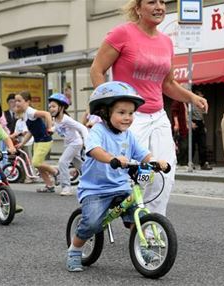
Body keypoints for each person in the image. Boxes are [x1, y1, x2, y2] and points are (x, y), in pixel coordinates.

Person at [90, 0, 208, 216]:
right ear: (138, 8)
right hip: (131, 117)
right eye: (152, 2)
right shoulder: (122, 34)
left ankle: (153, 221)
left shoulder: (166, 42)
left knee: (163, 171)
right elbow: (97, 69)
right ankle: (122, 208)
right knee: (132, 172)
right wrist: (108, 107)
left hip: (158, 115)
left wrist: (191, 97)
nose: (159, 6)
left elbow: (168, 84)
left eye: (162, 2)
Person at [66, 81, 169, 272]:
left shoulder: (128, 136)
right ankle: (74, 250)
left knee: (136, 214)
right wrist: (112, 158)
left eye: (130, 113)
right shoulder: (98, 130)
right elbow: (94, 150)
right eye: (121, 112)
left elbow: (142, 153)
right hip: (95, 189)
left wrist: (155, 161)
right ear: (105, 112)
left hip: (121, 186)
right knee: (92, 223)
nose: (127, 118)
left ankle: (142, 247)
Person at [14, 91, 59, 193]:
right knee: (39, 165)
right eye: (16, 100)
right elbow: (31, 131)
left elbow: (47, 114)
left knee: (36, 162)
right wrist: (22, 143)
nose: (17, 103)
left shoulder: (31, 112)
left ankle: (55, 172)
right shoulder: (25, 114)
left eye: (19, 101)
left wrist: (50, 127)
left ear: (27, 102)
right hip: (38, 141)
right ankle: (49, 186)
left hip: (45, 140)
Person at [48, 93, 88, 196]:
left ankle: (66, 187)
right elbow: (57, 127)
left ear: (61, 107)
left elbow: (82, 128)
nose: (51, 109)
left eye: (53, 106)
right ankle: (94, 181)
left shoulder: (67, 119)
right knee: (81, 166)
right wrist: (52, 130)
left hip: (75, 143)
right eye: (50, 107)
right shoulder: (55, 119)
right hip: (68, 144)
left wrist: (87, 143)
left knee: (62, 162)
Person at [191, 88, 212, 170]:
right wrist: (190, 123)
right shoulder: (191, 103)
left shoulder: (201, 104)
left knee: (203, 144)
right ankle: (190, 162)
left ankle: (203, 163)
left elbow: (202, 115)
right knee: (192, 144)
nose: (202, 96)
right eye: (200, 94)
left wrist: (204, 125)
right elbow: (188, 113)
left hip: (200, 123)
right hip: (193, 122)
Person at [170, 100, 188, 166]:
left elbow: (186, 115)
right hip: (179, 127)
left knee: (184, 146)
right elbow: (174, 113)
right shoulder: (177, 101)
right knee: (180, 145)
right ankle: (178, 161)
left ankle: (183, 162)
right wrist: (176, 123)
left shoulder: (185, 102)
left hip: (184, 127)